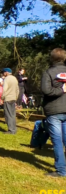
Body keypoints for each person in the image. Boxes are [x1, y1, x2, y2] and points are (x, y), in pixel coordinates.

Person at [41, 48, 66, 177]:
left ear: (51, 58)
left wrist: (61, 90)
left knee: (57, 141)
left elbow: (46, 90)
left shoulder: (48, 72)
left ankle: (61, 171)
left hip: (54, 110)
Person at [0, 68, 19, 134]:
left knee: (8, 114)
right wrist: (16, 98)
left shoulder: (6, 79)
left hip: (7, 98)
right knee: (13, 114)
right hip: (13, 98)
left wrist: (2, 98)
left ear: (6, 72)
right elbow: (17, 90)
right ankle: (14, 129)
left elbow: (4, 89)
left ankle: (11, 130)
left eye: (3, 72)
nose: (3, 74)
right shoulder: (15, 78)